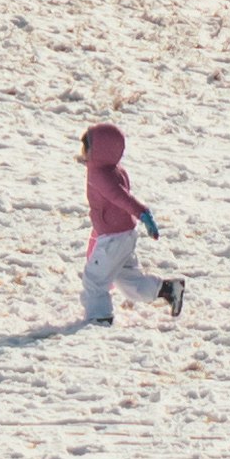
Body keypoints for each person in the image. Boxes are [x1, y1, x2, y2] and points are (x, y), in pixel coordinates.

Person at [78, 120, 179, 325]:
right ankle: (168, 290)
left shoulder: (100, 175)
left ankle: (100, 318)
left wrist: (143, 213)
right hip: (121, 233)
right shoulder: (113, 169)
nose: (84, 153)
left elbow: (120, 198)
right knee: (129, 281)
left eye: (87, 148)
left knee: (94, 280)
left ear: (99, 151)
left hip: (114, 237)